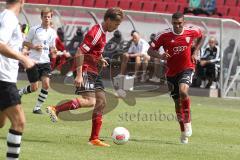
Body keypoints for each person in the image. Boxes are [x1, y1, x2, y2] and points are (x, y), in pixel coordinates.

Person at [46, 7, 124, 147]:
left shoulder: (103, 33)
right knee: (89, 101)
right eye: (116, 24)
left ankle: (94, 139)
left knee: (101, 102)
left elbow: (93, 50)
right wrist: (79, 74)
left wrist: (99, 58)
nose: (117, 27)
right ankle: (55, 109)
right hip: (86, 69)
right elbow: (79, 52)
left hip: (94, 70)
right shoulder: (96, 32)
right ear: (108, 20)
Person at [148, 12, 203, 144]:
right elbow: (150, 51)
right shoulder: (163, 35)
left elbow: (201, 36)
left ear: (184, 22)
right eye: (175, 23)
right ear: (171, 23)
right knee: (177, 105)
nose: (177, 26)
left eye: (180, 23)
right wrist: (161, 56)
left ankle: (188, 121)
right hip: (171, 72)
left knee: (183, 91)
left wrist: (195, 52)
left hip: (187, 68)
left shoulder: (192, 31)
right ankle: (183, 132)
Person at [0, 0, 35, 159]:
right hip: (3, 79)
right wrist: (23, 58)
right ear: (22, 1)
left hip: (5, 77)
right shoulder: (9, 18)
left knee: (0, 122)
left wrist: (21, 54)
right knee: (19, 122)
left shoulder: (5, 16)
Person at [18, 7, 58, 114]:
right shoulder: (34, 29)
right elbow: (25, 43)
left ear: (51, 18)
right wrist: (34, 46)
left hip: (45, 62)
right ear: (41, 17)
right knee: (34, 87)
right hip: (33, 62)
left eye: (48, 17)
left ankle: (37, 108)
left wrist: (54, 50)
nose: (46, 19)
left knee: (46, 84)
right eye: (45, 17)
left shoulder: (53, 32)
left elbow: (52, 47)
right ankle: (20, 92)